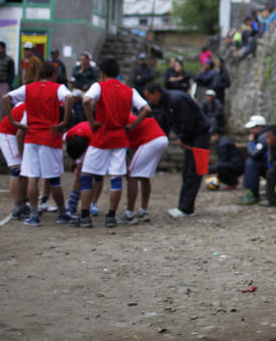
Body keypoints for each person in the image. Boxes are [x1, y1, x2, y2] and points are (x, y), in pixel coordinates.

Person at [79, 58, 151, 228]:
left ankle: (84, 216)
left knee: (87, 176)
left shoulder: (99, 86)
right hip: (120, 138)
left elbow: (86, 101)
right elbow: (146, 109)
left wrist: (91, 121)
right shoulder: (129, 90)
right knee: (116, 178)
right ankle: (111, 216)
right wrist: (132, 125)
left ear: (102, 74)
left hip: (101, 137)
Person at [2, 62, 72, 227]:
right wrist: (65, 121)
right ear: (53, 74)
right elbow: (69, 97)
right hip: (49, 136)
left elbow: (6, 98)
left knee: (32, 177)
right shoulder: (58, 88)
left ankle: (34, 215)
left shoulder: (28, 88)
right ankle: (62, 213)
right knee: (53, 179)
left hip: (32, 137)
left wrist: (13, 121)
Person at [143, 82, 211, 218]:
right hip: (191, 137)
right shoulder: (164, 102)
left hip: (199, 136)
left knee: (193, 171)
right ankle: (185, 206)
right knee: (187, 172)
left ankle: (186, 208)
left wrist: (184, 138)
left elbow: (189, 122)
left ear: (156, 93)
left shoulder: (177, 100)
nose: (149, 101)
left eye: (150, 97)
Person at [123, 113, 169, 223]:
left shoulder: (118, 120)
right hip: (160, 138)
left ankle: (129, 213)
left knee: (133, 174)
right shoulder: (125, 117)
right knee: (144, 175)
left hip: (151, 139)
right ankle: (143, 211)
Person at [0, 101, 28, 219]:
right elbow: (20, 134)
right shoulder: (31, 108)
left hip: (17, 135)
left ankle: (24, 202)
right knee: (17, 169)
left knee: (25, 171)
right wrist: (22, 155)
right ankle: (17, 206)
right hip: (7, 134)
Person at [239, 114, 269, 205]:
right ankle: (252, 191)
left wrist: (250, 142)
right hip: (265, 163)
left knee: (251, 163)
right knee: (250, 163)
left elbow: (254, 154)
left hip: (269, 164)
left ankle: (254, 193)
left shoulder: (263, 137)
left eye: (252, 128)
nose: (250, 130)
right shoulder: (259, 136)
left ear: (259, 127)